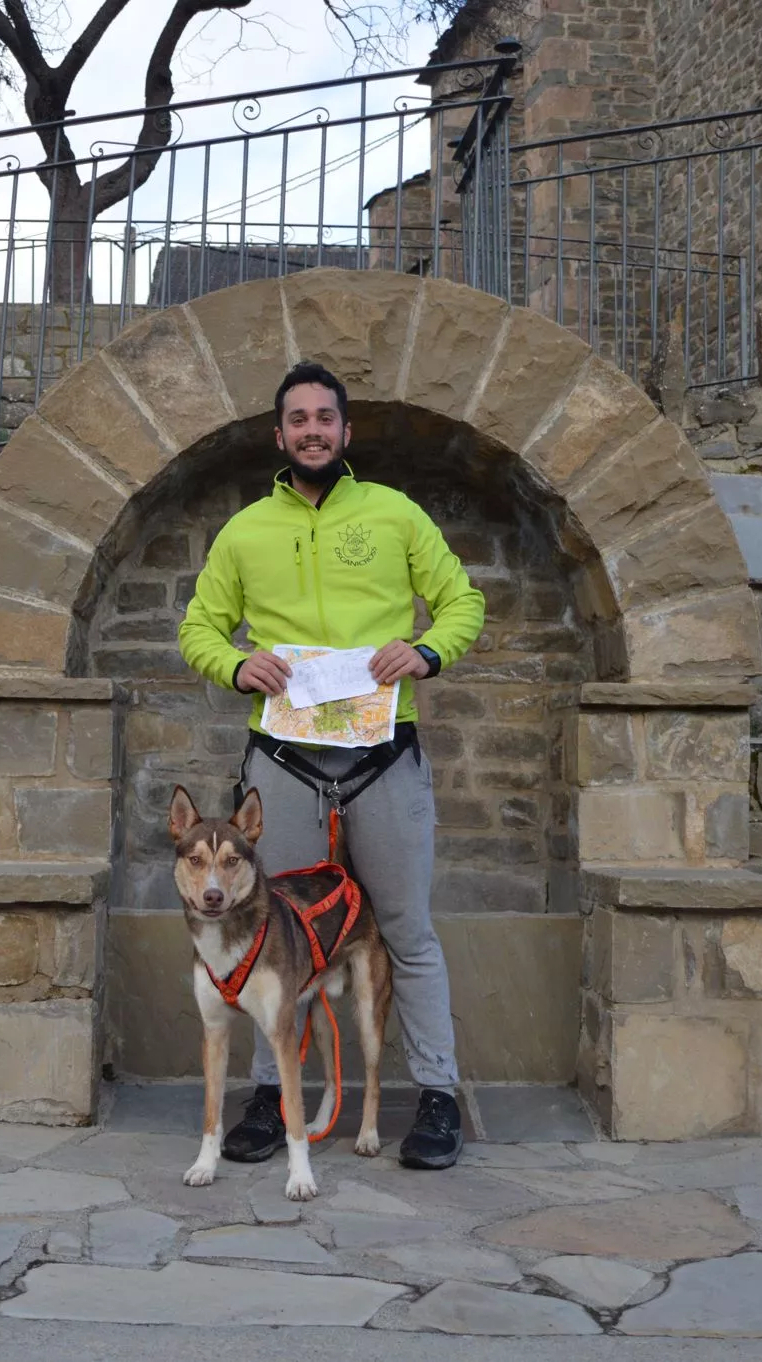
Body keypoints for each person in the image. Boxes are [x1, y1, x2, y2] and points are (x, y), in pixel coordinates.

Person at [176, 359, 485, 1170]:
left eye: (325, 418)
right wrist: (237, 665)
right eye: (298, 420)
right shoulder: (245, 531)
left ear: (345, 431)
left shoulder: (394, 514)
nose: (312, 430)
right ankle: (267, 1102)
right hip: (285, 759)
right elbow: (198, 628)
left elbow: (463, 604)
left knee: (408, 931)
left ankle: (441, 1099)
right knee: (261, 929)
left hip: (384, 757)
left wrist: (424, 650)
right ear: (279, 435)